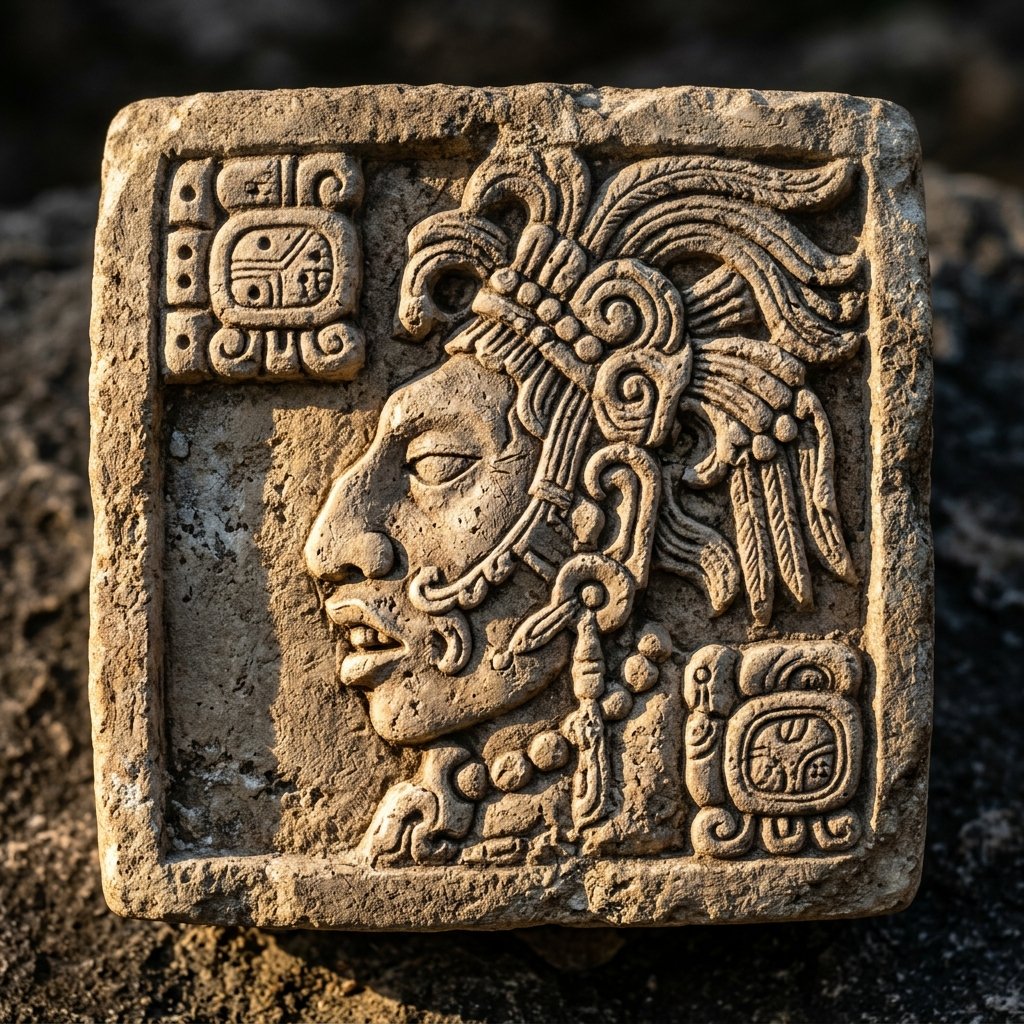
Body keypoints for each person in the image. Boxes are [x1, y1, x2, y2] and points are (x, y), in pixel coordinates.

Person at [304, 146, 864, 865]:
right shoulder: (450, 802)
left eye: (434, 465)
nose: (330, 543)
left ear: (615, 517)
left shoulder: (748, 760)